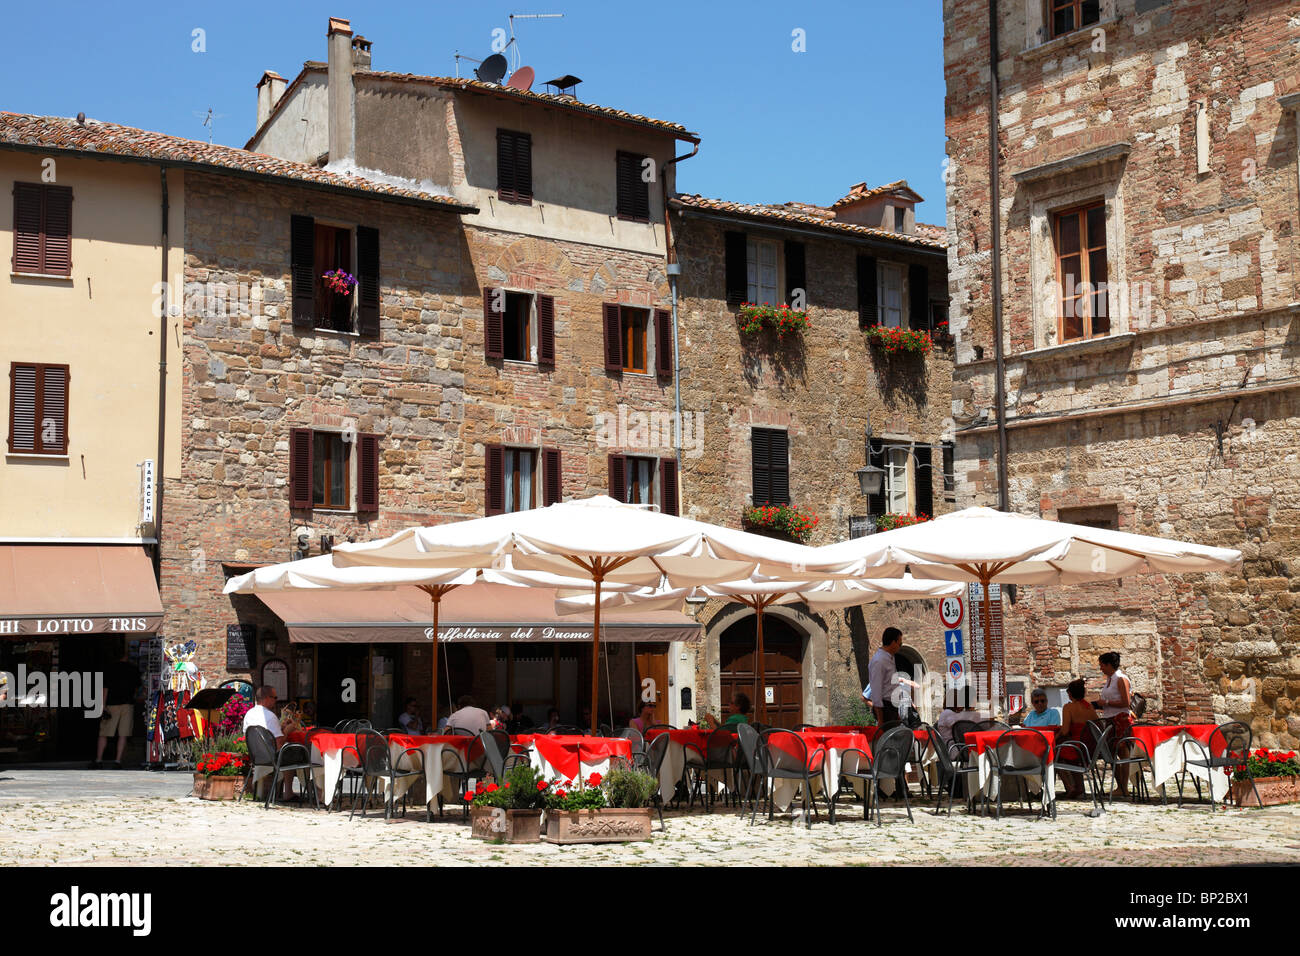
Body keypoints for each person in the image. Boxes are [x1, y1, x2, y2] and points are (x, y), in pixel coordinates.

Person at [1095, 652, 1134, 796]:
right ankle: (1120, 786)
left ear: (1110, 665)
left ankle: (1124, 788)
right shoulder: (1110, 679)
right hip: (1110, 718)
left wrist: (1105, 702)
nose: (1101, 669)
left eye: (1102, 665)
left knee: (1123, 753)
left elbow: (1126, 702)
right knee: (1111, 753)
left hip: (1121, 719)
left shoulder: (1121, 678)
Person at [94, 645, 140, 769]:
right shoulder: (133, 669)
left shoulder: (109, 669)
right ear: (125, 656)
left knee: (104, 734)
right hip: (127, 704)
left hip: (111, 704)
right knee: (123, 734)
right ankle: (118, 761)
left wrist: (102, 706)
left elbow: (105, 689)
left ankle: (98, 760)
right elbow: (137, 688)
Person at [867, 628, 918, 725]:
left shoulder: (890, 658)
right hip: (886, 709)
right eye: (900, 644)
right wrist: (880, 719)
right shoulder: (879, 661)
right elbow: (876, 692)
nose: (900, 647)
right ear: (893, 643)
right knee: (891, 738)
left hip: (892, 708)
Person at [1057, 679, 1096, 799]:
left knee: (1056, 752)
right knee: (1066, 751)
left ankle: (1071, 787)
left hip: (1078, 746)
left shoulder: (1068, 707)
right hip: (1092, 746)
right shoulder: (1089, 706)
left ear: (1070, 693)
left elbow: (1065, 731)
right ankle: (1079, 786)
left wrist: (1055, 737)